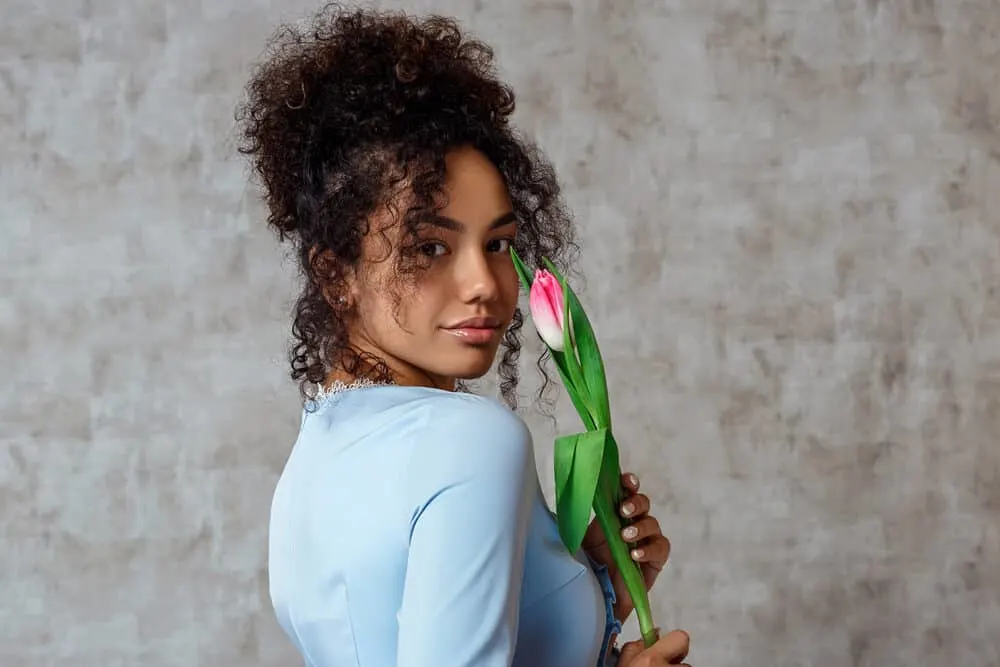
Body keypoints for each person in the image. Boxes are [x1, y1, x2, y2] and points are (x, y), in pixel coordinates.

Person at [237, 4, 691, 666]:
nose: (484, 281)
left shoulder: (311, 463)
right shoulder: (470, 439)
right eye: (429, 247)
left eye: (500, 242)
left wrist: (594, 587)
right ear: (338, 275)